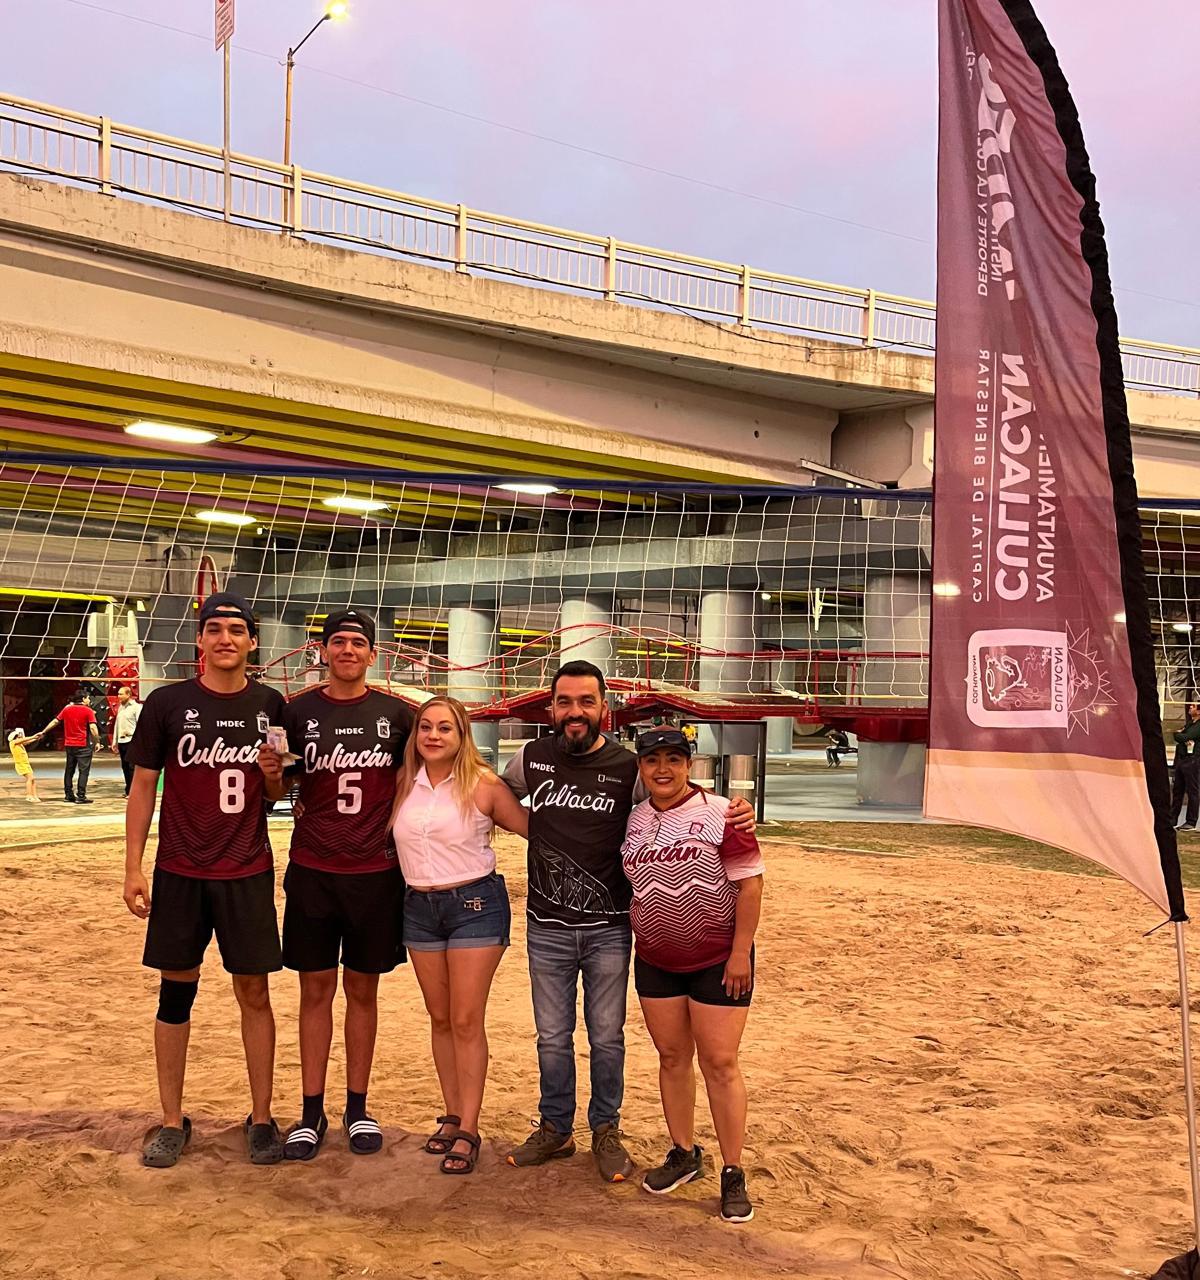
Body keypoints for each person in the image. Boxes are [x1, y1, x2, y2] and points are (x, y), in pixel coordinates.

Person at [503, 659, 756, 1183]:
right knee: (551, 1036)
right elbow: (495, 794)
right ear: (551, 708)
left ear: (605, 708)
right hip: (547, 924)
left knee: (608, 1037)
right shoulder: (530, 757)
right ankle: (555, 1127)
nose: (575, 712)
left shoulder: (627, 768)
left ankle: (606, 1130)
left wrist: (735, 810)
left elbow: (675, 800)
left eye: (586, 701)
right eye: (565, 702)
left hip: (611, 927)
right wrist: (539, 834)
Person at [123, 591, 287, 1169]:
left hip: (245, 868)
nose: (225, 638)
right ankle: (172, 1121)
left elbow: (276, 793)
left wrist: (273, 778)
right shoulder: (167, 703)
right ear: (199, 639)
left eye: (236, 630)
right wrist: (132, 865)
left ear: (251, 642)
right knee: (176, 991)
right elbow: (143, 786)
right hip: (180, 870)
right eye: (214, 629)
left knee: (254, 992)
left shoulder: (271, 705)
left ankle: (261, 1118)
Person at [258, 609, 413, 1162]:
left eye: (358, 643)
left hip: (375, 874)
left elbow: (417, 783)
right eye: (337, 642)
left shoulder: (398, 715)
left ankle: (358, 1106)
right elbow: (277, 790)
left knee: (363, 992)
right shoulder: (292, 711)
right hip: (314, 871)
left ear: (374, 655)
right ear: (321, 651)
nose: (347, 650)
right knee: (314, 990)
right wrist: (274, 774)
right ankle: (310, 1111)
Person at [623, 726, 764, 1223]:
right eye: (652, 760)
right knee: (671, 1057)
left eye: (674, 759)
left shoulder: (724, 812)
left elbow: (750, 885)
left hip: (717, 960)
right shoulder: (632, 819)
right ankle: (683, 1153)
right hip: (656, 959)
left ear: (689, 764)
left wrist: (740, 953)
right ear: (640, 767)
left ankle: (732, 1170)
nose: (663, 769)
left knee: (721, 1063)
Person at [391, 696, 529, 1175]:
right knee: (441, 1017)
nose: (433, 735)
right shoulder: (403, 783)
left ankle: (469, 1127)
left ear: (461, 735)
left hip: (474, 906)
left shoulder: (483, 785)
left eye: (444, 728)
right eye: (425, 727)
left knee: (467, 1019)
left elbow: (538, 829)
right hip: (419, 908)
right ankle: (451, 1115)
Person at [39, 690, 102, 803]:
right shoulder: (88, 710)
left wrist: (44, 731)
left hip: (69, 744)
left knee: (69, 770)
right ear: (83, 699)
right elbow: (93, 728)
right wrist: (97, 741)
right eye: (88, 698)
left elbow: (55, 721)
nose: (89, 700)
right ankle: (81, 796)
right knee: (84, 771)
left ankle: (68, 795)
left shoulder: (67, 709)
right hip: (83, 744)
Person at [1173, 702, 1200, 831]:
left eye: (1193, 706)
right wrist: (1179, 735)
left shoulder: (1198, 726)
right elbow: (1179, 735)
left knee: (1193, 791)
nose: (1190, 707)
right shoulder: (1190, 724)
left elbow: (1186, 736)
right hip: (1182, 760)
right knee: (1177, 790)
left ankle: (1191, 821)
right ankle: (1172, 819)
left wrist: (1179, 735)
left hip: (1193, 761)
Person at [112, 686, 142, 797]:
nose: (118, 696)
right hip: (122, 741)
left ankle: (134, 792)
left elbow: (141, 725)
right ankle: (128, 789)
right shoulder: (121, 708)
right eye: (118, 694)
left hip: (132, 740)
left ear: (128, 694)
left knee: (132, 767)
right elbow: (117, 725)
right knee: (125, 767)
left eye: (121, 694)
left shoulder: (136, 707)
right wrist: (114, 741)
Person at [7, 728, 42, 801]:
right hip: (21, 764)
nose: (21, 737)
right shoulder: (13, 742)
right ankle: (29, 796)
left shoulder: (20, 744)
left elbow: (26, 742)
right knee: (30, 778)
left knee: (33, 780)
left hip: (26, 764)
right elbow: (23, 740)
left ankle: (34, 795)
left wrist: (36, 738)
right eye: (19, 736)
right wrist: (33, 736)